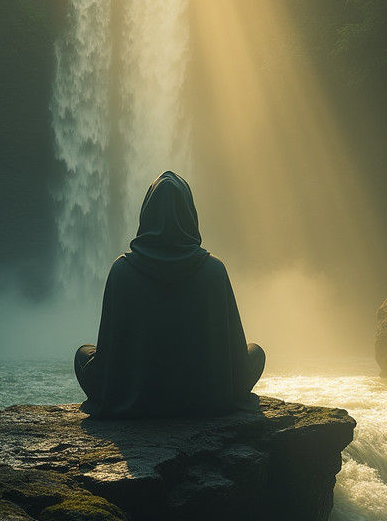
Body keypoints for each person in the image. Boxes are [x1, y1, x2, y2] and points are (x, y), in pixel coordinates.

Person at [74, 171, 265, 418]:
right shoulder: (215, 270)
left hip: (136, 402)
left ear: (146, 214)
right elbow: (236, 356)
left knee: (83, 353)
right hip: (206, 401)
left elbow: (107, 355)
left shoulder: (121, 270)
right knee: (256, 352)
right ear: (190, 214)